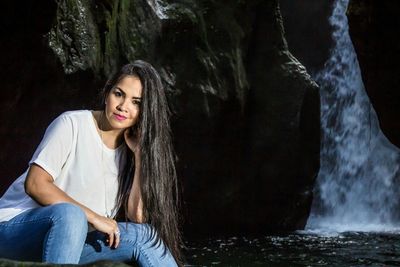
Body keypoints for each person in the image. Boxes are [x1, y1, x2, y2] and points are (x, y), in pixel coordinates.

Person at [0, 60, 182, 266]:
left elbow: (137, 217)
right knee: (71, 215)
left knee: (146, 236)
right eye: (119, 94)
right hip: (12, 231)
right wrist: (94, 217)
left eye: (136, 102)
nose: (123, 107)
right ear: (107, 93)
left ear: (145, 111)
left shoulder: (130, 150)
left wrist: (140, 155)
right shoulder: (72, 124)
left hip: (69, 243)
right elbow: (35, 184)